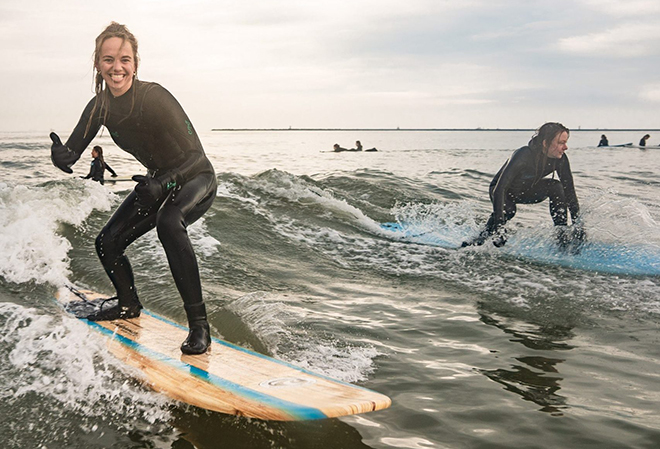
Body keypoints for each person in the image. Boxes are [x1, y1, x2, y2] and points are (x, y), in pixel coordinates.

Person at [49, 22, 217, 355]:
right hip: (157, 182)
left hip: (195, 177)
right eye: (108, 59)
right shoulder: (99, 106)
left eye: (124, 59)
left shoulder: (155, 97)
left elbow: (197, 157)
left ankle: (200, 327)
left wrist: (164, 183)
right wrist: (60, 158)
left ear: (135, 63)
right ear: (98, 63)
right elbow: (72, 154)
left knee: (169, 222)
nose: (117, 67)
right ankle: (128, 305)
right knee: (107, 243)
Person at [462, 122, 582, 248]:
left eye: (565, 142)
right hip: (501, 190)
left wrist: (578, 226)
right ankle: (479, 240)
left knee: (556, 187)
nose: (565, 147)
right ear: (545, 143)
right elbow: (500, 188)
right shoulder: (524, 154)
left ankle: (561, 239)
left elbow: (570, 193)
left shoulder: (560, 159)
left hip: (527, 190)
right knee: (509, 210)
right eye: (561, 143)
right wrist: (499, 226)